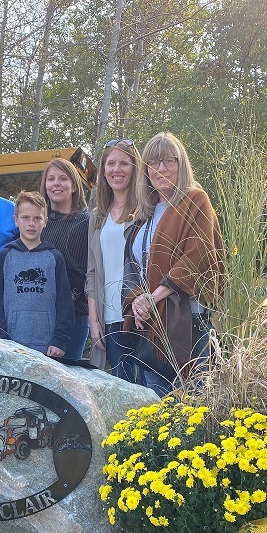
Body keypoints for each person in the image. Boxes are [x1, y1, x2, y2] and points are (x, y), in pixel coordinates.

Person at [125, 132, 224, 397]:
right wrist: (137, 300)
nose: (161, 169)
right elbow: (132, 268)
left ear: (181, 165)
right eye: (153, 163)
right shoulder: (144, 214)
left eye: (169, 161)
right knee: (156, 415)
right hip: (152, 330)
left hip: (189, 327)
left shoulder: (195, 201)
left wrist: (153, 297)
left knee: (195, 412)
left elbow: (199, 254)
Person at [85, 139, 144, 379]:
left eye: (124, 163)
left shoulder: (146, 211)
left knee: (149, 390)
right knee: (122, 389)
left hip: (142, 316)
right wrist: (94, 319)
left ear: (135, 168)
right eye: (111, 163)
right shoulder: (97, 217)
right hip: (110, 318)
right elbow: (91, 271)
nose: (116, 169)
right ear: (104, 170)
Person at [0, 191, 74, 357]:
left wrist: (59, 340)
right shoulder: (5, 256)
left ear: (45, 222)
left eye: (37, 218)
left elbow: (64, 303)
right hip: (11, 345)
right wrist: (1, 338)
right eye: (25, 218)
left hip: (48, 347)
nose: (31, 223)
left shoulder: (54, 258)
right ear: (16, 220)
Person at [39, 158, 90, 360]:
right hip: (40, 314)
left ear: (74, 186)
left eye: (63, 178)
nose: (56, 183)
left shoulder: (86, 222)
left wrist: (64, 303)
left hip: (74, 317)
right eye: (50, 179)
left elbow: (87, 272)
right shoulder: (39, 222)